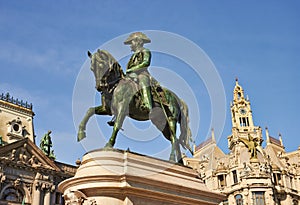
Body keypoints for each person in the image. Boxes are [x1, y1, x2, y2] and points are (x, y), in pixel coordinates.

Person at [124, 32, 152, 111]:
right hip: (131, 75)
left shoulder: (145, 51)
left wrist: (132, 69)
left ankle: (147, 104)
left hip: (142, 74)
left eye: (131, 42)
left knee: (143, 81)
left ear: (138, 42)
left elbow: (146, 63)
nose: (130, 45)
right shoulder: (132, 56)